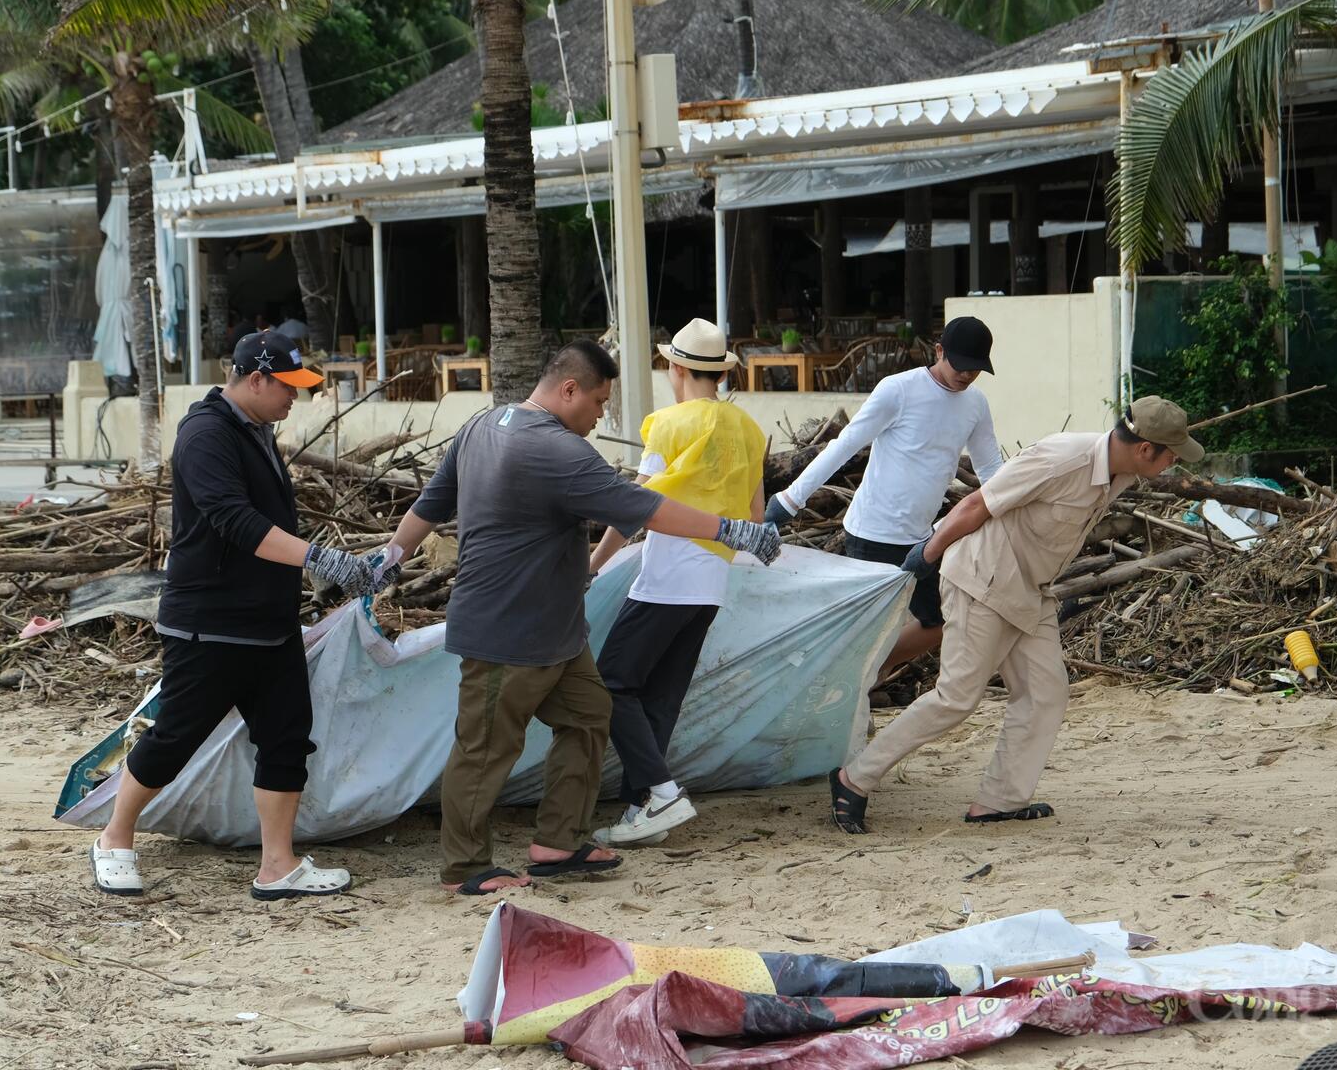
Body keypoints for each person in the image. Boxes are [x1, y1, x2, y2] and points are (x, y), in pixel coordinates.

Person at [377, 340, 783, 896]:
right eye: (598, 402)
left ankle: (558, 842)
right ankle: (464, 867)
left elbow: (429, 503)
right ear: (569, 389)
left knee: (591, 714)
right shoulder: (560, 451)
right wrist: (729, 529)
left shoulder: (481, 426)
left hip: (558, 633)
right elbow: (643, 507)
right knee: (486, 747)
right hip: (505, 631)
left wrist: (389, 558)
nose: (600, 416)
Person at [90, 330, 381, 902]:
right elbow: (236, 523)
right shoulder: (205, 435)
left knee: (287, 740)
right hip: (210, 623)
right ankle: (113, 837)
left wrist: (322, 575)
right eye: (288, 387)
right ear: (255, 379)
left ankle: (277, 866)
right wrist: (322, 559)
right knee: (176, 735)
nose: (295, 397)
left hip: (269, 623)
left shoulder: (256, 430)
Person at [826, 397, 1202, 834]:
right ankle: (854, 779)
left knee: (1045, 693)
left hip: (1029, 591)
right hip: (984, 580)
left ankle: (999, 801)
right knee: (956, 697)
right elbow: (977, 504)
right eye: (1172, 453)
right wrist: (926, 554)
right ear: (1145, 449)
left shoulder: (1120, 473)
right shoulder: (1062, 457)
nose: (1175, 461)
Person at [586, 319, 767, 847]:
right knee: (660, 696)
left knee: (611, 682)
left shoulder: (666, 424)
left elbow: (634, 508)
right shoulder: (748, 429)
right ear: (721, 374)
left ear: (676, 368)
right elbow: (755, 518)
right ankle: (643, 808)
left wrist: (593, 565)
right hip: (712, 582)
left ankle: (662, 794)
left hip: (667, 578)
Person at [767, 317, 1004, 681]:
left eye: (975, 369)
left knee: (939, 622)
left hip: (922, 540)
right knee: (865, 630)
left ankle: (863, 675)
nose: (967, 375)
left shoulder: (975, 403)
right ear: (939, 351)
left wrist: (1012, 506)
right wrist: (789, 500)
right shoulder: (898, 390)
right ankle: (852, 681)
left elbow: (991, 470)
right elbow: (845, 445)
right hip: (872, 535)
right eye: (960, 365)